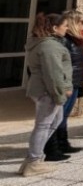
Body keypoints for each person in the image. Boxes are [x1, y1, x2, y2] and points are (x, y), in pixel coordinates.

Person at [20, 13, 72, 177]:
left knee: (54, 121)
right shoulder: (50, 47)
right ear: (55, 28)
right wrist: (59, 94)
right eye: (65, 26)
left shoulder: (43, 43)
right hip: (47, 91)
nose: (67, 28)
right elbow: (53, 74)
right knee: (43, 125)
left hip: (43, 89)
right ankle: (33, 161)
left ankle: (32, 159)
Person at [43, 10, 83, 160]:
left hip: (75, 82)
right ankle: (51, 148)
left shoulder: (75, 40)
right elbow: (60, 65)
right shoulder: (64, 41)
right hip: (67, 83)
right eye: (81, 22)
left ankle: (62, 142)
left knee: (63, 116)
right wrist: (65, 85)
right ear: (73, 23)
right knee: (56, 116)